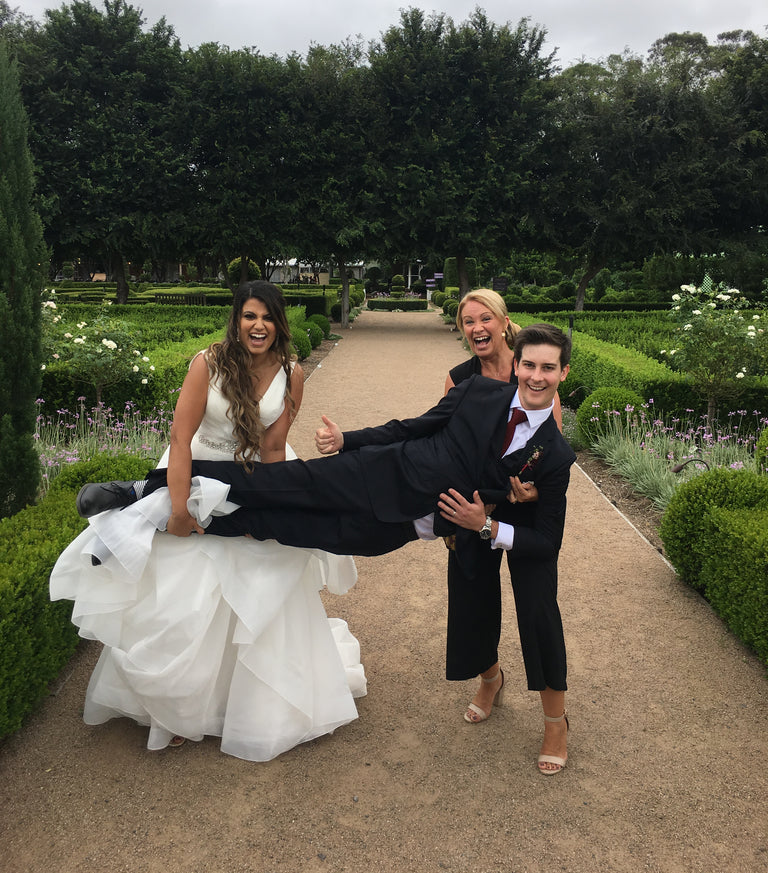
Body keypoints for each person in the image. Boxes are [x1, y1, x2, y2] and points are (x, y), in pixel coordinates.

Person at [78, 322, 576, 773]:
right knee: (276, 485)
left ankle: (549, 717)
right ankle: (144, 495)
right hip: (378, 472)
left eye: (548, 368)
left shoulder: (554, 455)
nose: (536, 376)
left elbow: (546, 538)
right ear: (516, 365)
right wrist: (348, 441)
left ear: (563, 373)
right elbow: (413, 427)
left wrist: (485, 524)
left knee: (280, 527)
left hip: (405, 525)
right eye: (529, 365)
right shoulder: (478, 391)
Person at [51, 281, 366, 761]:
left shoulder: (292, 373)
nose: (258, 326)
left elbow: (273, 448)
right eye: (249, 316)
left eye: (267, 317)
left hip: (254, 480)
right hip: (194, 474)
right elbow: (181, 438)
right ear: (236, 320)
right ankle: (177, 709)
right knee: (184, 596)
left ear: (279, 323)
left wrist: (274, 511)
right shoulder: (209, 363)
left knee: (261, 581)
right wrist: (179, 510)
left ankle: (243, 702)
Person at [443, 290, 563, 741]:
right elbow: (450, 446)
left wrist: (534, 491)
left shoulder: (534, 370)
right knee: (472, 599)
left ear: (504, 321)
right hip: (477, 506)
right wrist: (456, 514)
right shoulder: (460, 379)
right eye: (468, 321)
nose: (477, 328)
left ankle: (555, 721)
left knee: (538, 609)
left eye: (485, 318)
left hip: (527, 512)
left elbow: (551, 445)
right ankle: (490, 677)